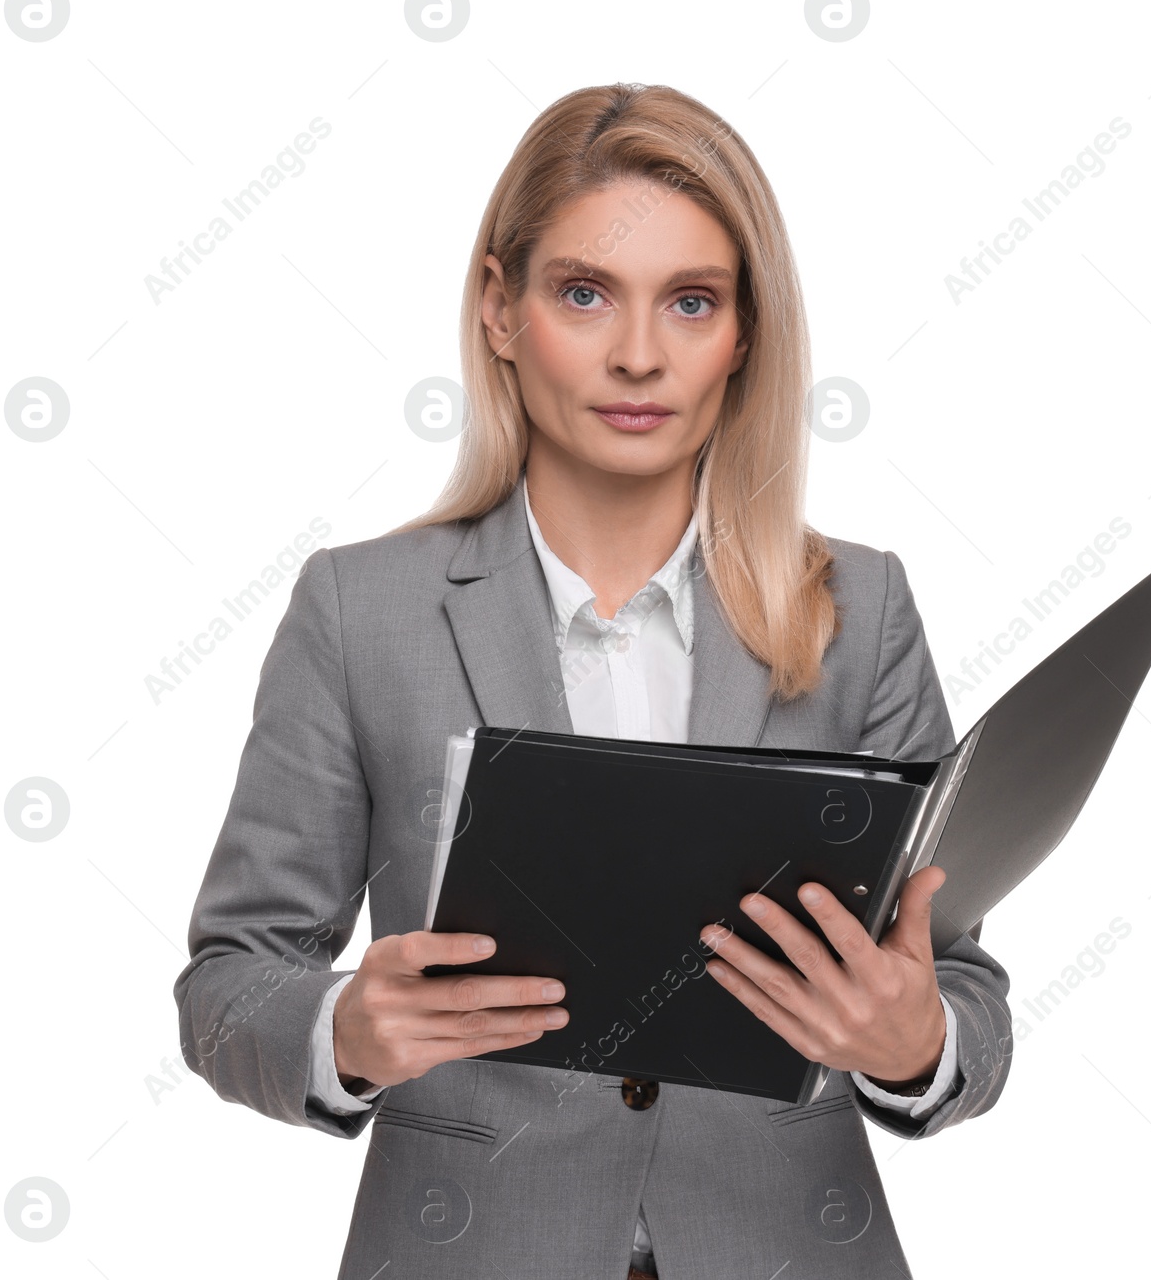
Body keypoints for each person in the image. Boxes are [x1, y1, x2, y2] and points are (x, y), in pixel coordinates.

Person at [174, 81, 1013, 1280]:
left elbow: (960, 983)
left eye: (690, 301)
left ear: (746, 335)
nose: (636, 353)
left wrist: (912, 1038)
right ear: (499, 309)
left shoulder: (859, 606)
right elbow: (226, 981)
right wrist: (343, 1029)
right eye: (583, 293)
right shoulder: (361, 609)